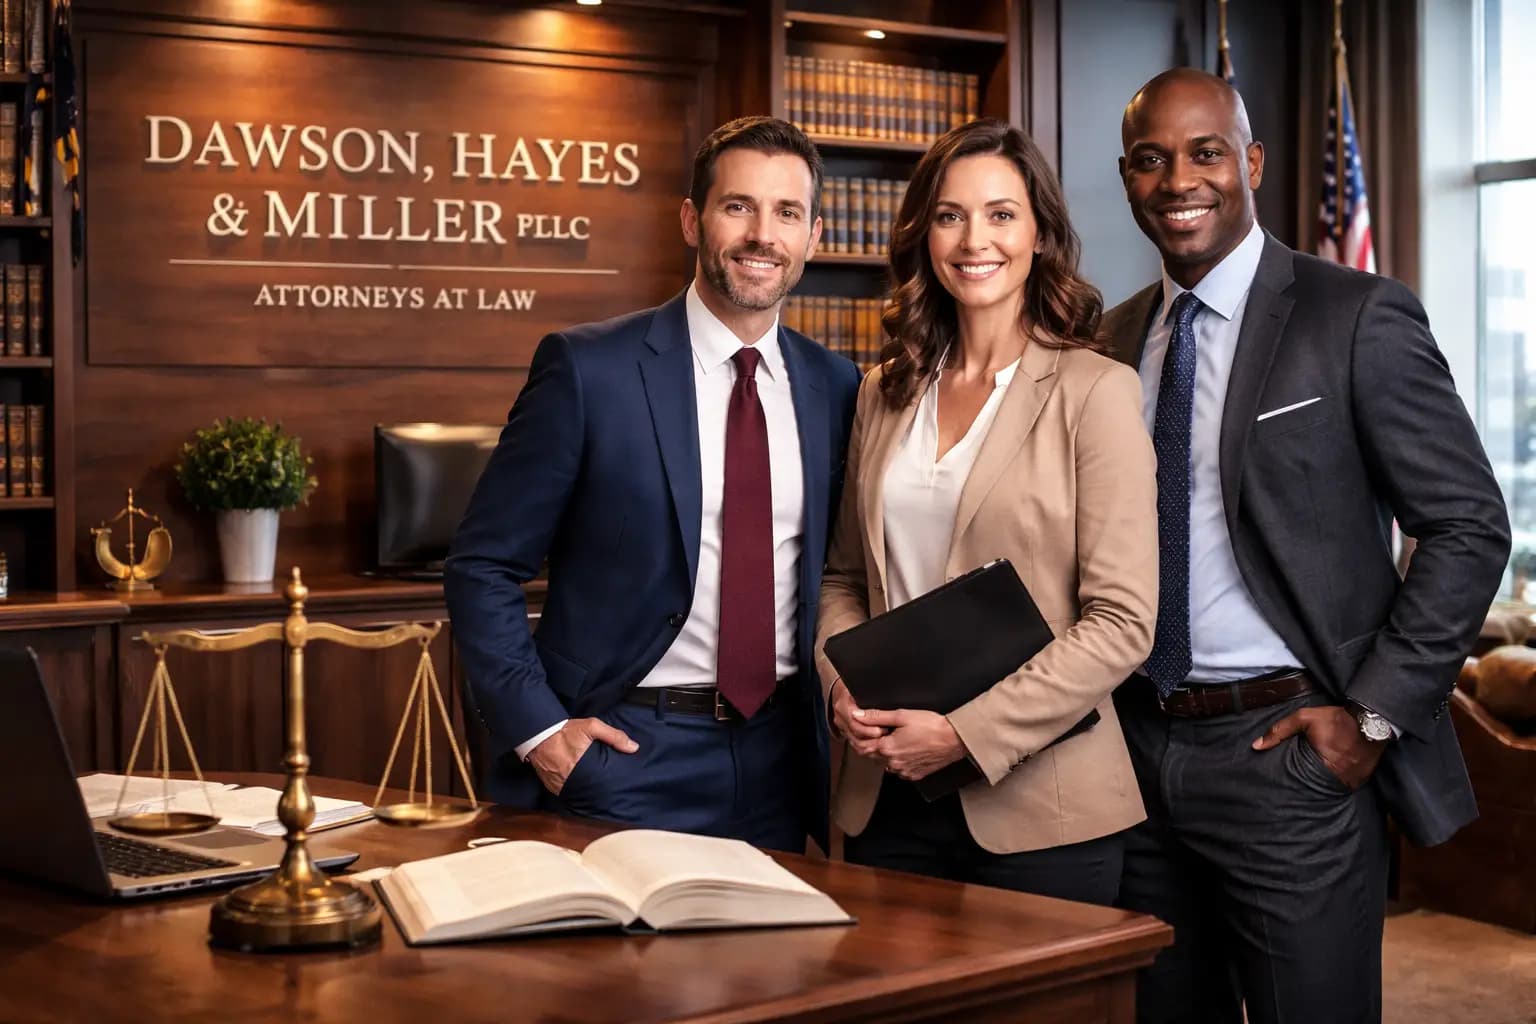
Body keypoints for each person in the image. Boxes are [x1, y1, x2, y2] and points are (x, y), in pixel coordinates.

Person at [1104, 68, 1511, 1024]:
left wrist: (1370, 719)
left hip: (1288, 758)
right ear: (1127, 179)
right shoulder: (1111, 339)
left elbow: (1467, 524)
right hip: (1132, 758)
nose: (1179, 181)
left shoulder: (1355, 314)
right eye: (1151, 161)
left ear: (1248, 163)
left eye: (1205, 153)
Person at [444, 116, 861, 854]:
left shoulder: (836, 386)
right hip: (623, 753)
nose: (763, 234)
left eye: (787, 213)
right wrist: (541, 732)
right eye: (738, 206)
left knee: (775, 971)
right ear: (691, 220)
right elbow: (484, 564)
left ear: (813, 237)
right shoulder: (588, 370)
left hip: (782, 763)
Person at [814, 118, 1157, 904]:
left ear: (1040, 233)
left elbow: (1123, 621)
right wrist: (841, 687)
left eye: (1002, 214)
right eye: (950, 214)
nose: (976, 239)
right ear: (924, 234)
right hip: (887, 794)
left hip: (1042, 814)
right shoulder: (884, 390)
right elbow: (843, 579)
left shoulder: (1095, 393)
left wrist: (965, 735)